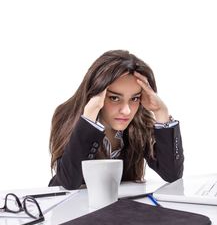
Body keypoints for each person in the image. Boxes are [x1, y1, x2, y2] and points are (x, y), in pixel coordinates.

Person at [49, 50, 184, 189]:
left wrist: (161, 113)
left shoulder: (139, 122)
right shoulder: (66, 115)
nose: (127, 110)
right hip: (67, 206)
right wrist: (89, 119)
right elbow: (69, 182)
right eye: (114, 98)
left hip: (118, 208)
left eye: (134, 98)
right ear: (95, 93)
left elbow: (172, 174)